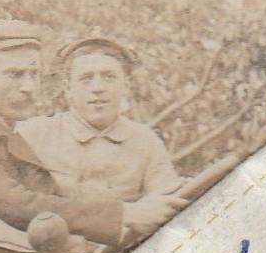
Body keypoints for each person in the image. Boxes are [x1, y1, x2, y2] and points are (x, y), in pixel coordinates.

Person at [0, 20, 184, 247]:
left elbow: (49, 195)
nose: (28, 87)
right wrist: (126, 214)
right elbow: (15, 204)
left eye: (33, 74)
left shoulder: (5, 132)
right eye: (15, 75)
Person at [17, 35, 184, 201]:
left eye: (109, 77)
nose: (98, 88)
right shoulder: (33, 135)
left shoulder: (145, 140)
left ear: (126, 85)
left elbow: (165, 198)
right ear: (68, 89)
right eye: (86, 79)